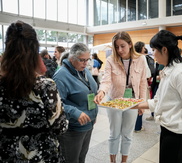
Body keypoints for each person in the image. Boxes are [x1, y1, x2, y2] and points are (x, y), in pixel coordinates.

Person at [0, 20, 68, 162]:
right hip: (41, 154)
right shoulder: (45, 86)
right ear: (34, 49)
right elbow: (60, 127)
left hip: (7, 154)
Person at [132, 30, 182, 163]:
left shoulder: (179, 72)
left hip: (179, 134)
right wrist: (132, 105)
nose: (153, 54)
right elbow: (158, 102)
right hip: (168, 130)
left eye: (154, 50)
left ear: (164, 50)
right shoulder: (168, 70)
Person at [94, 31, 147, 163]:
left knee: (127, 135)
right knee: (114, 134)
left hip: (133, 101)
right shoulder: (111, 60)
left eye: (122, 46)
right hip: (114, 100)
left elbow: (142, 82)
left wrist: (143, 104)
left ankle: (124, 161)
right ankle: (113, 161)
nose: (120, 50)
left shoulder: (140, 59)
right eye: (116, 47)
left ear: (130, 44)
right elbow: (106, 80)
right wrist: (101, 92)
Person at [53, 43, 98, 163]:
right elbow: (55, 104)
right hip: (73, 127)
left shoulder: (83, 70)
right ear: (72, 58)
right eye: (82, 60)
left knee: (81, 158)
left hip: (88, 123)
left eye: (87, 60)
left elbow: (91, 89)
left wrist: (98, 98)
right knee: (71, 160)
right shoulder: (61, 76)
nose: (86, 63)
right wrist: (75, 112)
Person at [134, 41, 152, 132]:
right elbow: (147, 72)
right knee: (141, 103)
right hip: (142, 83)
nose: (145, 48)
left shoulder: (132, 56)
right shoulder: (142, 57)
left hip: (133, 85)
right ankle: (138, 126)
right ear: (141, 48)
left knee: (134, 104)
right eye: (144, 47)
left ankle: (134, 125)